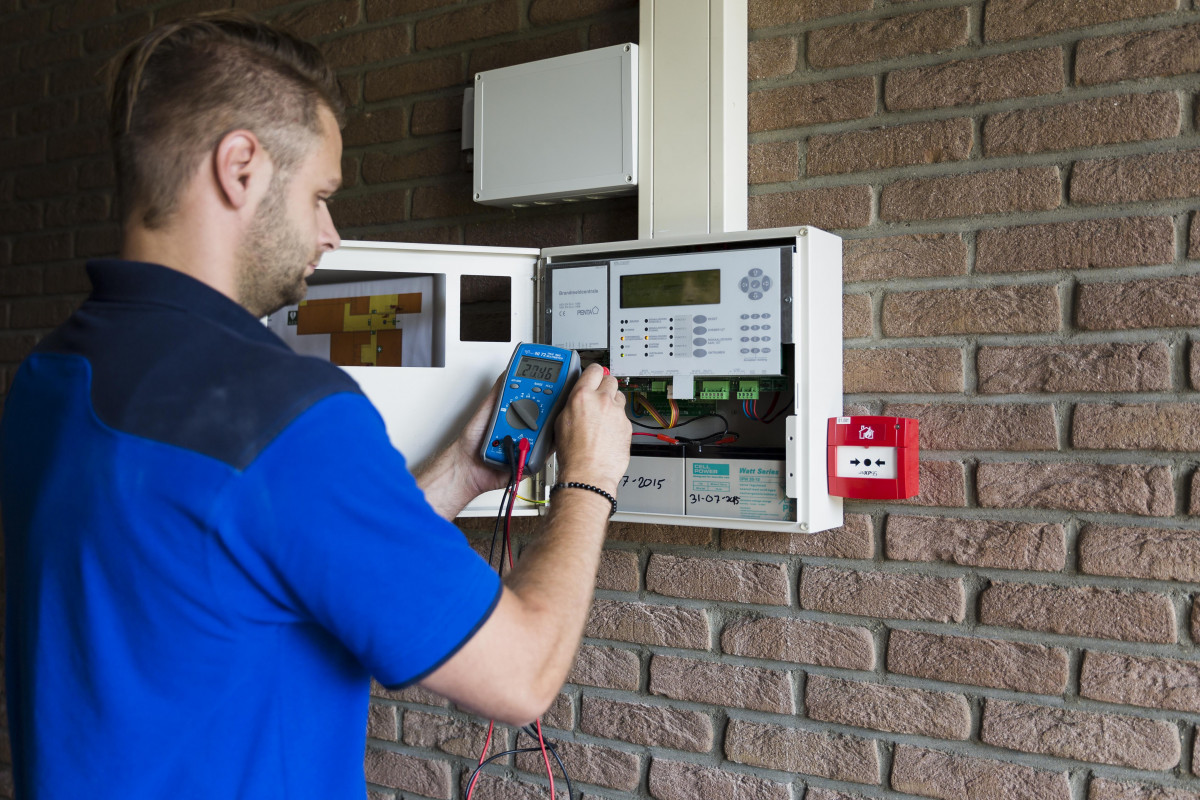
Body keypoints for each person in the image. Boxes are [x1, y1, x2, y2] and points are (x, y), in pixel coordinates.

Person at [0, 12, 631, 798]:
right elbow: (524, 674)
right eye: (320, 195)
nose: (330, 232)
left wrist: (458, 476)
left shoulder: (51, 375)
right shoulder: (284, 412)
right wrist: (591, 477)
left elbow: (267, 553)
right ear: (241, 167)